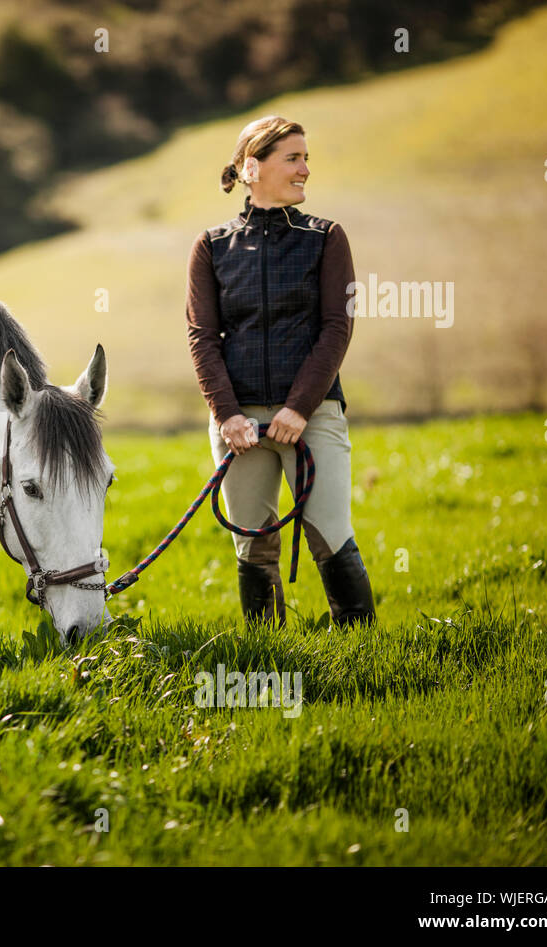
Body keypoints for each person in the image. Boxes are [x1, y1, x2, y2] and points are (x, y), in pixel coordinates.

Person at [184, 115, 375, 627]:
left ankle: (364, 653)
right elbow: (203, 337)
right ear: (252, 167)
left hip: (313, 416)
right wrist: (227, 416)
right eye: (293, 158)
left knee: (331, 535)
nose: (305, 170)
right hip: (237, 425)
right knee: (251, 547)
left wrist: (299, 408)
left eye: (306, 158)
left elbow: (336, 328)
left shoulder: (326, 238)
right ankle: (268, 656)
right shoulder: (211, 247)